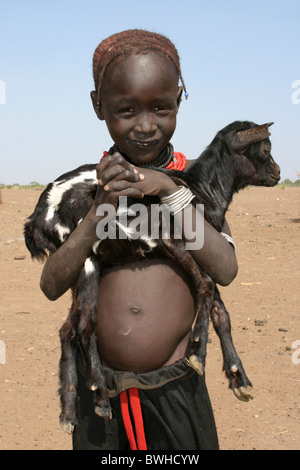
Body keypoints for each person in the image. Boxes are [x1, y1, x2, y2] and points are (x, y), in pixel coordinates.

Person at [39, 29, 238, 450]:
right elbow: (52, 285)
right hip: (100, 392)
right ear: (99, 105)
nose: (146, 126)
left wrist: (166, 189)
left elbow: (225, 268)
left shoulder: (190, 187)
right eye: (126, 109)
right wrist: (98, 211)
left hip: (175, 390)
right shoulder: (83, 190)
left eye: (161, 107)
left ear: (180, 100)